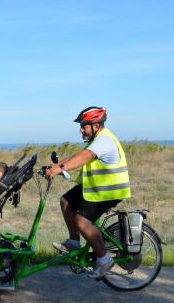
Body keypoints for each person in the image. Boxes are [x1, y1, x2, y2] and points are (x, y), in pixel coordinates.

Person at [44, 106, 131, 279]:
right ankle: (74, 242)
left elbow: (85, 157)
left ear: (96, 125)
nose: (81, 129)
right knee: (65, 201)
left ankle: (104, 259)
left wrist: (59, 169)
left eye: (84, 126)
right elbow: (80, 154)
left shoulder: (104, 141)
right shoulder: (97, 139)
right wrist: (56, 166)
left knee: (82, 221)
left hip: (110, 191)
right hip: (96, 190)